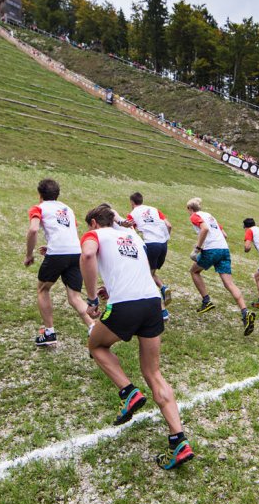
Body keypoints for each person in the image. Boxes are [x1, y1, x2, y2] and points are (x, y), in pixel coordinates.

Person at [80, 204, 193, 469]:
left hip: (126, 305)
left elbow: (87, 257)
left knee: (96, 346)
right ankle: (179, 441)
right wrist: (110, 285)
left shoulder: (94, 235)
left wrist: (92, 298)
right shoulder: (133, 237)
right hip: (152, 304)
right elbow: (133, 266)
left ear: (94, 222)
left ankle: (128, 391)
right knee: (154, 373)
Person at [24, 179, 94, 346]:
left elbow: (33, 229)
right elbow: (68, 230)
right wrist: (50, 246)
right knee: (74, 297)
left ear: (39, 194)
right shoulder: (67, 209)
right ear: (57, 194)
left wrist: (29, 255)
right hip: (75, 252)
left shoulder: (38, 208)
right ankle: (93, 327)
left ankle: (49, 333)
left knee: (43, 289)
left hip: (58, 254)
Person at [186, 198, 255, 336]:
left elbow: (204, 229)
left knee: (194, 271)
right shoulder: (210, 216)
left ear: (190, 209)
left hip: (212, 250)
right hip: (224, 249)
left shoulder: (195, 216)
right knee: (229, 283)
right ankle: (245, 312)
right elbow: (224, 234)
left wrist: (198, 248)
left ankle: (206, 301)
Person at [126, 192, 173, 308]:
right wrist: (166, 238)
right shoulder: (154, 209)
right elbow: (169, 225)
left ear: (132, 203)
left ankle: (160, 308)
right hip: (163, 245)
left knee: (147, 275)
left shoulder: (132, 214)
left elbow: (129, 230)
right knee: (150, 272)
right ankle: (163, 288)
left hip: (151, 244)